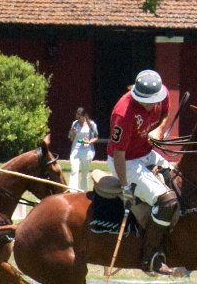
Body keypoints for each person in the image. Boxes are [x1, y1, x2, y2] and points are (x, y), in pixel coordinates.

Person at [108, 69, 179, 276]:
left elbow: (165, 113)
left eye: (152, 101)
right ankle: (150, 258)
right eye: (145, 101)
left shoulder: (161, 93)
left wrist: (159, 129)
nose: (150, 105)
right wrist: (124, 186)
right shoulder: (123, 112)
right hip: (126, 162)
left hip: (147, 153)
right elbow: (119, 154)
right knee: (166, 201)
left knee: (179, 181)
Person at [68, 107, 102, 191]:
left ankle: (83, 191)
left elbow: (96, 137)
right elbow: (72, 139)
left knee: (85, 173)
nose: (78, 119)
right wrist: (73, 133)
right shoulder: (75, 124)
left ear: (84, 116)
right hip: (76, 149)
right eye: (77, 117)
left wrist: (89, 142)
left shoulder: (91, 124)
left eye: (80, 117)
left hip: (87, 150)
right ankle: (72, 191)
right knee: (74, 170)